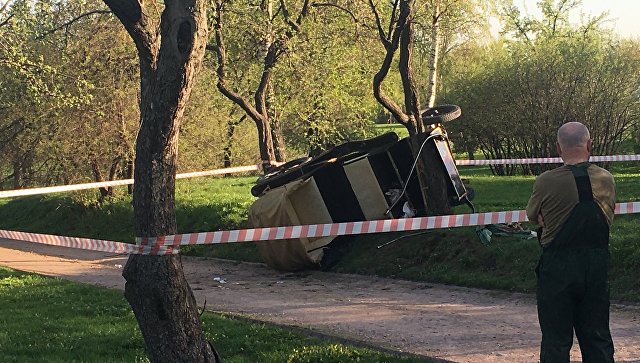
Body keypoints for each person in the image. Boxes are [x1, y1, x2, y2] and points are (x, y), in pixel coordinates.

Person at [526, 121, 616, 363]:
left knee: (556, 341)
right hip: (596, 268)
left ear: (558, 147)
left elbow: (534, 216)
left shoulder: (546, 181)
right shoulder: (606, 179)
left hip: (558, 269)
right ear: (589, 144)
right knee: (598, 338)